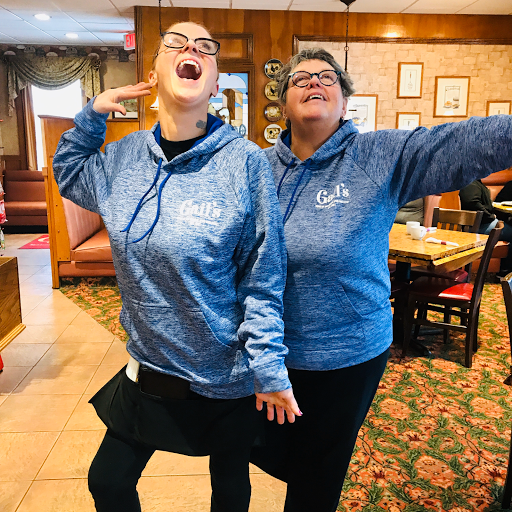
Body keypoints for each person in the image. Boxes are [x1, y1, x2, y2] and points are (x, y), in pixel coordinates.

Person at [249, 47, 512, 512]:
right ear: (283, 104)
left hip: (347, 353)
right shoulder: (256, 169)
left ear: (345, 102)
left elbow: (462, 142)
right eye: (301, 79)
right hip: (268, 348)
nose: (315, 83)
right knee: (262, 451)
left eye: (328, 77)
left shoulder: (379, 154)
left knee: (316, 477)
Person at [52, 21, 300, 512]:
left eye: (206, 48)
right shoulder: (123, 158)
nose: (192, 50)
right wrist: (92, 115)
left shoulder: (246, 163)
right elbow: (69, 173)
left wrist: (269, 365)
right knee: (108, 481)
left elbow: (263, 275)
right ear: (153, 74)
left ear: (215, 82)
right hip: (149, 364)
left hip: (223, 372)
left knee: (229, 488)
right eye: (177, 44)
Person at [460, 179, 512, 273]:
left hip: (479, 223)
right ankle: (506, 270)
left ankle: (506, 269)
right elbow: (471, 202)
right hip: (478, 226)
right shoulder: (471, 183)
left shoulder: (474, 182)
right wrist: (490, 216)